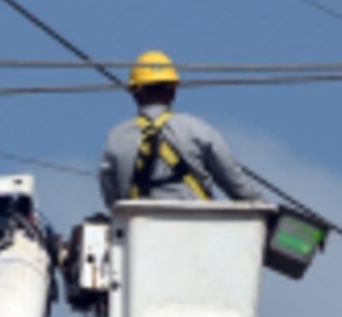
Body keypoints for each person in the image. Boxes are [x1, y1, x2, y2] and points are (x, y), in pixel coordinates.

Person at [98, 50, 259, 209]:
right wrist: (268, 212)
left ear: (135, 94)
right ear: (172, 92)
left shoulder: (116, 139)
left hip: (139, 232)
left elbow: (113, 201)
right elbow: (239, 188)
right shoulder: (198, 131)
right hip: (198, 229)